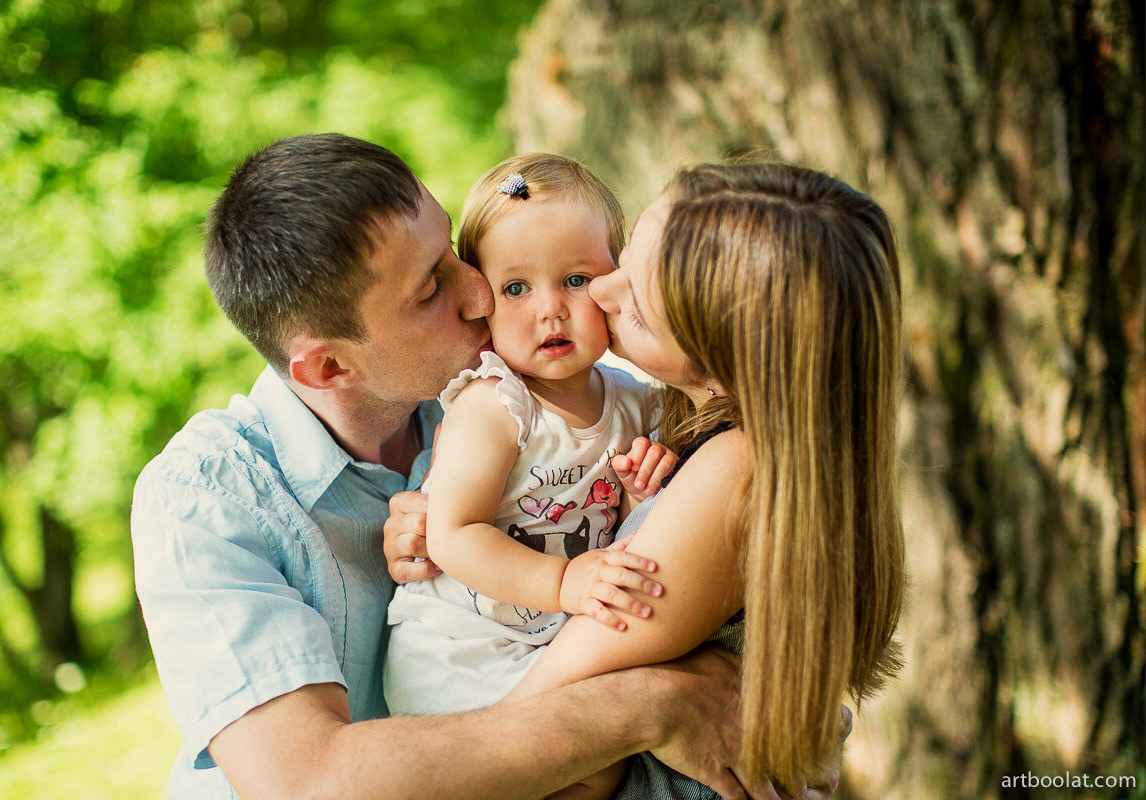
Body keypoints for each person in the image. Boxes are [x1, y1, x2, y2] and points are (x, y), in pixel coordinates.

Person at [130, 132, 760, 800]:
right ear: (329, 366)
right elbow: (308, 784)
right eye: (432, 288)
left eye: (454, 253)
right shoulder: (207, 500)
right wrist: (644, 706)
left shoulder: (505, 394)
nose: (482, 294)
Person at [389, 162, 903, 799]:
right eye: (624, 262)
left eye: (632, 301)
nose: (600, 295)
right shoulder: (694, 433)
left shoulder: (736, 466)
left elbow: (529, 727)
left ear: (720, 366)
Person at [384, 154, 677, 718]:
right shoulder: (494, 405)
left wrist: (642, 489)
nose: (550, 310)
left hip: (552, 642)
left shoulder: (636, 400)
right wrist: (564, 581)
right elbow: (453, 534)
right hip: (460, 650)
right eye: (516, 287)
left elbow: (625, 527)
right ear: (482, 299)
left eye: (575, 280)